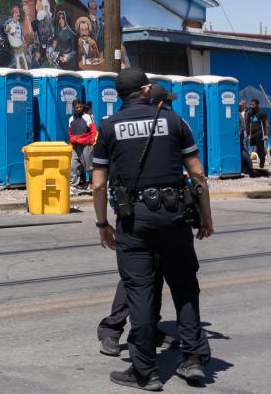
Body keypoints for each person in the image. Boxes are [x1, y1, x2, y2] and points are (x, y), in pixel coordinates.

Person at [92, 69, 213, 390]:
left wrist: (103, 224)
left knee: (141, 292)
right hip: (174, 218)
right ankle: (193, 358)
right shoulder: (174, 121)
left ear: (120, 95)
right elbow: (198, 175)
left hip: (134, 221)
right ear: (146, 90)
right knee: (185, 287)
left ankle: (145, 372)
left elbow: (98, 184)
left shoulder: (108, 127)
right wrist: (206, 217)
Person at [96, 84, 180, 358]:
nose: (168, 107)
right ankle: (112, 328)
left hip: (160, 212)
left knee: (153, 274)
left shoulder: (162, 126)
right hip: (136, 210)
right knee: (137, 277)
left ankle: (149, 329)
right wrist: (102, 223)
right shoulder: (134, 128)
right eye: (164, 103)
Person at [68, 99, 96, 191]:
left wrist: (92, 144)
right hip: (74, 146)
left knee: (88, 166)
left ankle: (93, 182)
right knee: (73, 165)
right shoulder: (71, 119)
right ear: (74, 108)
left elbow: (93, 131)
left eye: (80, 107)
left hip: (85, 145)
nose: (79, 109)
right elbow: (69, 133)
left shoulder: (87, 117)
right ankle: (74, 185)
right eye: (77, 107)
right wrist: (71, 142)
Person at [246, 99, 269, 169]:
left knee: (260, 149)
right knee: (251, 149)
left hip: (259, 133)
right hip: (252, 134)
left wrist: (266, 134)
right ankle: (250, 163)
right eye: (251, 104)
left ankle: (262, 161)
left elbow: (266, 124)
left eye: (253, 105)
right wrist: (248, 134)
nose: (251, 106)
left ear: (257, 105)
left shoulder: (261, 113)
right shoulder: (250, 113)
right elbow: (247, 124)